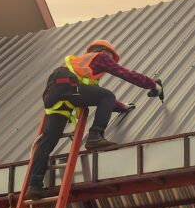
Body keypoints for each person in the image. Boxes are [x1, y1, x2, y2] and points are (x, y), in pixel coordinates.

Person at [25, 39, 159, 199]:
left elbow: (96, 95)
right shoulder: (100, 57)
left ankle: (34, 185)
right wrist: (152, 85)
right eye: (111, 57)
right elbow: (124, 74)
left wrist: (123, 106)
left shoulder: (81, 67)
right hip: (68, 88)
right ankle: (95, 135)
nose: (110, 61)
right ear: (105, 52)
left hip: (55, 95)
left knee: (47, 141)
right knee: (108, 94)